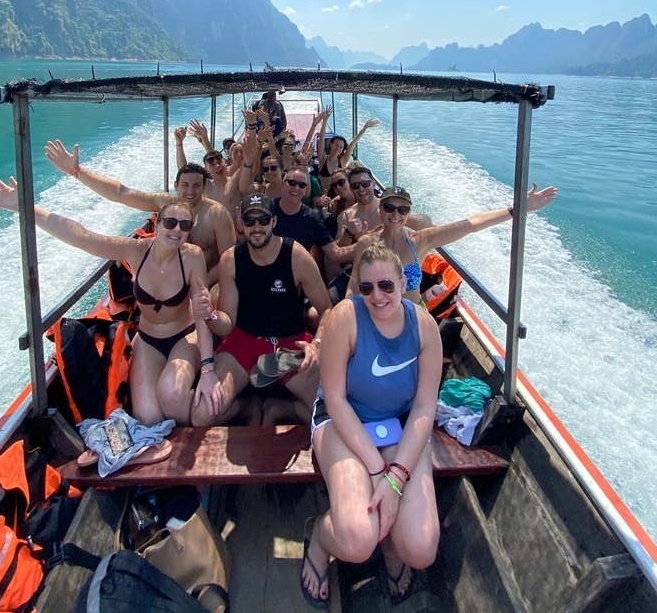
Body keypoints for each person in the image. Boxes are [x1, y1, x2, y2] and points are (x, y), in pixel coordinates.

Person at [0, 178, 223, 427]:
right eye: (170, 222)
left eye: (185, 225)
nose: (177, 230)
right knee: (149, 417)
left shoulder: (192, 256)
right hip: (149, 342)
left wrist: (207, 369)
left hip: (184, 336)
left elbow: (203, 312)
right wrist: (26, 208)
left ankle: (190, 435)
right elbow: (82, 236)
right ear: (157, 224)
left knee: (173, 396)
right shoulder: (136, 251)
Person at [302, 244, 442, 606]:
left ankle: (393, 540)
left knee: (422, 548)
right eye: (366, 288)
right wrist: (380, 471)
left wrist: (396, 478)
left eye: (386, 286)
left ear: (402, 282)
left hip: (400, 423)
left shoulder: (424, 327)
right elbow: (336, 399)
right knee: (356, 539)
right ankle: (319, 535)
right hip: (343, 421)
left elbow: (425, 407)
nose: (377, 296)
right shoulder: (344, 319)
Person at [190, 193, 332, 427]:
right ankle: (248, 408)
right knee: (201, 415)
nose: (257, 227)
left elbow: (327, 310)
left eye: (263, 220)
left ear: (274, 222)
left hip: (290, 344)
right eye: (250, 221)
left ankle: (283, 408)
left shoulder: (296, 256)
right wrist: (210, 314)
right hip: (244, 340)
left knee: (328, 415)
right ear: (241, 225)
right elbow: (227, 322)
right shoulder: (231, 260)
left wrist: (316, 345)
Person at [44, 141, 235, 286]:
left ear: (204, 186)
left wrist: (199, 285)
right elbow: (121, 193)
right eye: (185, 185)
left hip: (206, 282)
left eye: (196, 186)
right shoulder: (166, 203)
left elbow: (228, 260)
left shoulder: (217, 215)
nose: (190, 192)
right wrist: (77, 172)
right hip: (169, 280)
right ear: (176, 186)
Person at [345, 183, 558, 302]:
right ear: (380, 209)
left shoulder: (420, 241)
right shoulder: (366, 243)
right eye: (389, 207)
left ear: (408, 214)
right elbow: (354, 286)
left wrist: (517, 209)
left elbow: (471, 224)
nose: (395, 214)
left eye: (402, 210)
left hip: (411, 320)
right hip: (373, 315)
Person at [317, 108, 381, 193]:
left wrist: (364, 128)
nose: (338, 149)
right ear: (330, 144)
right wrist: (325, 120)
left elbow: (353, 143)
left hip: (341, 195)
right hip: (326, 196)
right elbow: (321, 139)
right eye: (336, 145)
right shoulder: (323, 159)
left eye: (341, 147)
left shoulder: (342, 160)